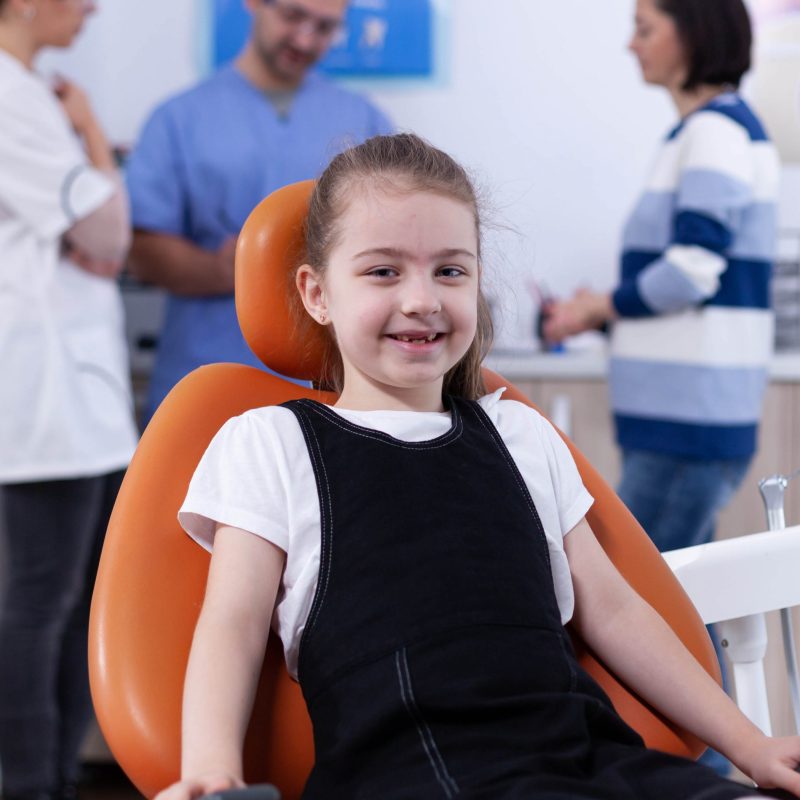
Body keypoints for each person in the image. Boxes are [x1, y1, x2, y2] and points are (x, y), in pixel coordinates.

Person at [157, 134, 799, 800]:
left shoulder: (519, 432)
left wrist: (751, 746)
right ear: (317, 293)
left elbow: (613, 611)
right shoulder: (271, 442)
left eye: (451, 271)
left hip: (593, 765)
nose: (422, 299)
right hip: (409, 775)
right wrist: (211, 775)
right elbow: (231, 622)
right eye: (383, 271)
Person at [542, 2, 779, 774]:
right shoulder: (701, 134)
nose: (631, 41)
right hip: (682, 420)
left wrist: (596, 306)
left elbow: (694, 270)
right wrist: (607, 314)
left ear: (695, 29)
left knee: (642, 616)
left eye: (646, 25)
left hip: (687, 425)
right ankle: (711, 773)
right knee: (679, 612)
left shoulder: (713, 132)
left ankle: (703, 778)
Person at [125, 0, 393, 426]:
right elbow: (140, 245)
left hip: (334, 390)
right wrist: (222, 270)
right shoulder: (178, 119)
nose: (305, 39)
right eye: (292, 16)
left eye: (324, 28)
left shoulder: (362, 118)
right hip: (206, 379)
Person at [0, 0, 139, 798]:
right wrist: (91, 133)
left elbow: (99, 238)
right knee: (41, 600)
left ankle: (49, 777)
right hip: (43, 395)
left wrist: (93, 215)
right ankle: (31, 784)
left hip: (74, 395)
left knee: (78, 600)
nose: (91, 7)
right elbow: (111, 234)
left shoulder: (32, 88)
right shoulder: (17, 98)